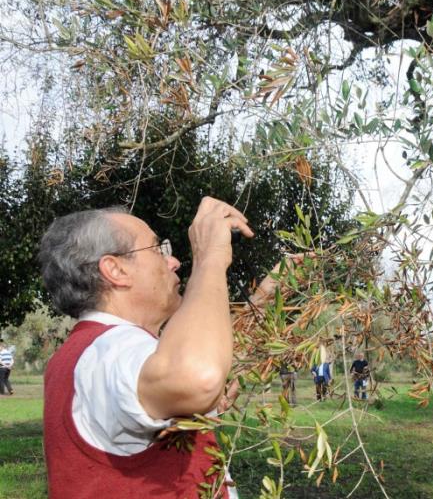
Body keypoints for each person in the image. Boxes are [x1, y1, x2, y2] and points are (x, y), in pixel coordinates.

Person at [37, 197, 275, 498]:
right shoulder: (110, 349)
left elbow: (209, 361)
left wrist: (267, 296)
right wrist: (210, 257)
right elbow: (199, 376)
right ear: (116, 270)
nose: (174, 261)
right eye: (157, 249)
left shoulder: (92, 351)